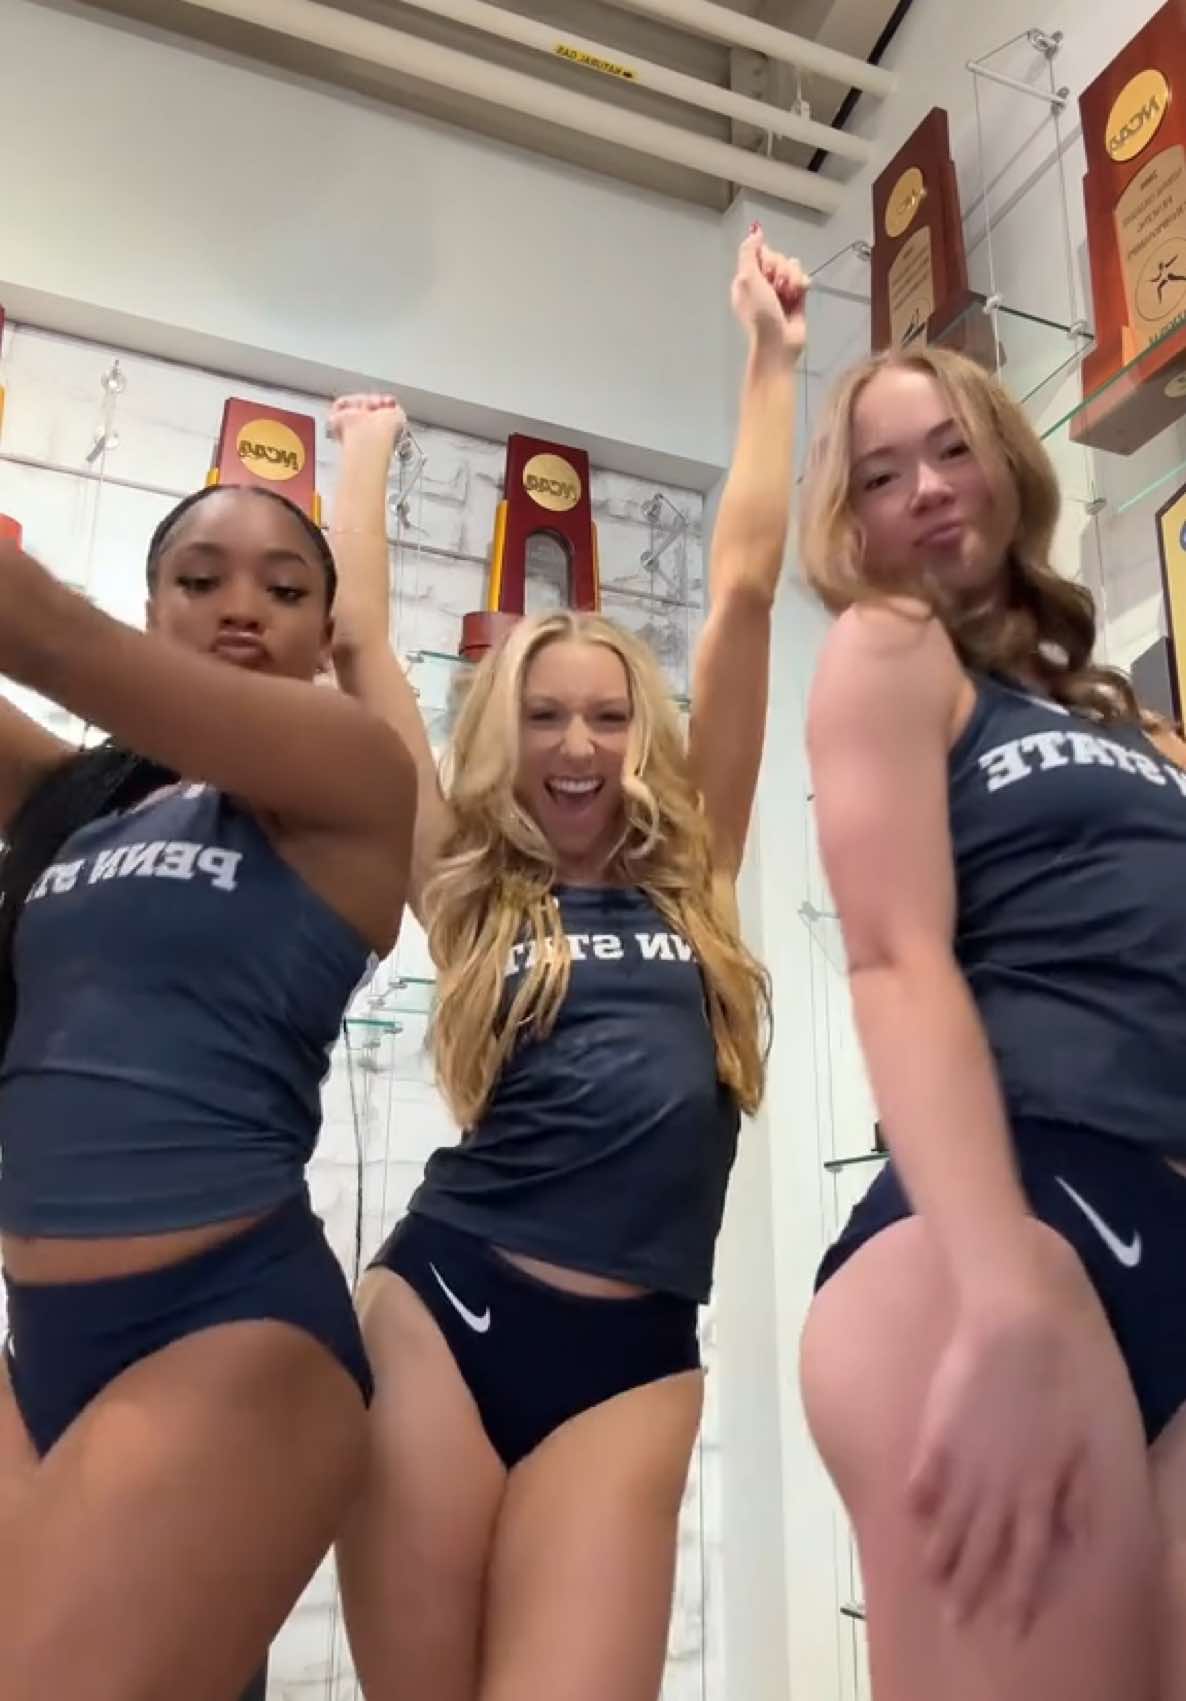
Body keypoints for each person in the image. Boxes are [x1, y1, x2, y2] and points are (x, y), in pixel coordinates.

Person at [323, 225, 805, 1701]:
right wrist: (363, 456)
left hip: (636, 1352)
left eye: (605, 715)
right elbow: (359, 653)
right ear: (506, 738)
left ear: (640, 737)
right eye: (545, 717)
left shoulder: (697, 872)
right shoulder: (466, 889)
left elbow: (735, 594)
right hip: (445, 1307)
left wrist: (772, 364)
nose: (579, 743)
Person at [797, 342, 1186, 1701]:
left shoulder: (1128, 716)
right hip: (1002, 1225)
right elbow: (893, 956)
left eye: (949, 447)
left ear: (1007, 463)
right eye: (881, 472)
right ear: (849, 521)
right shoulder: (889, 649)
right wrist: (997, 1284)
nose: (925, 488)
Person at [0, 483, 415, 1701]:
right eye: (199, 581)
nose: (242, 608)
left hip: (226, 1333)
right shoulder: (74, 799)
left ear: (324, 629)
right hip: (40, 1341)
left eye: (285, 590)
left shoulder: (351, 770)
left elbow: (49, 638)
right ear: (153, 604)